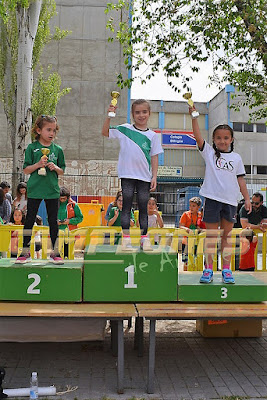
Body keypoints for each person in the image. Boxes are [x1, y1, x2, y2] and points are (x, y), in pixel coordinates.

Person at [190, 105, 251, 284]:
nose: (222, 141)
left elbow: (241, 180)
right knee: (211, 236)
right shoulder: (209, 153)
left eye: (226, 138)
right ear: (214, 140)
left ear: (231, 139)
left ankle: (226, 270)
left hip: (230, 202)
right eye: (218, 138)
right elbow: (198, 136)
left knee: (226, 236)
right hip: (212, 200)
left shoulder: (237, 158)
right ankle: (208, 269)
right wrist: (194, 117)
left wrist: (246, 198)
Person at [102, 98, 163, 250]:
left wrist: (154, 176)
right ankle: (126, 239)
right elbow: (105, 132)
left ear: (149, 114)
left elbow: (154, 157)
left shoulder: (153, 136)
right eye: (137, 112)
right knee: (126, 206)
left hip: (144, 177)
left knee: (143, 207)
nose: (141, 115)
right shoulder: (125, 129)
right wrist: (110, 115)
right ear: (132, 114)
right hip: (127, 175)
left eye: (144, 112)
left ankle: (144, 239)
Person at [15, 115, 66, 264]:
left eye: (54, 130)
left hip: (52, 190)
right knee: (29, 220)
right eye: (48, 129)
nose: (52, 133)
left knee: (53, 221)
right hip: (35, 189)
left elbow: (62, 170)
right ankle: (25, 252)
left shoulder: (58, 149)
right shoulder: (32, 147)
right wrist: (38, 164)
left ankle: (55, 252)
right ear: (38, 130)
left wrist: (55, 167)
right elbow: (26, 170)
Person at [57, 186, 83, 258]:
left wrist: (70, 221)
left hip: (70, 233)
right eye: (60, 198)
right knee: (58, 253)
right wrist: (55, 222)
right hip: (58, 233)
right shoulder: (54, 204)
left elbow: (80, 218)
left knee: (68, 253)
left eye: (64, 198)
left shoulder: (73, 205)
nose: (62, 200)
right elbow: (49, 217)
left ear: (68, 197)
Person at [179, 197, 202, 270]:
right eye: (190, 205)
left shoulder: (200, 215)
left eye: (194, 206)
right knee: (186, 261)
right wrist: (187, 229)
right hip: (186, 242)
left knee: (196, 259)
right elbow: (181, 226)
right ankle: (185, 273)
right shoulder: (185, 214)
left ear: (198, 207)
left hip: (197, 242)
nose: (191, 208)